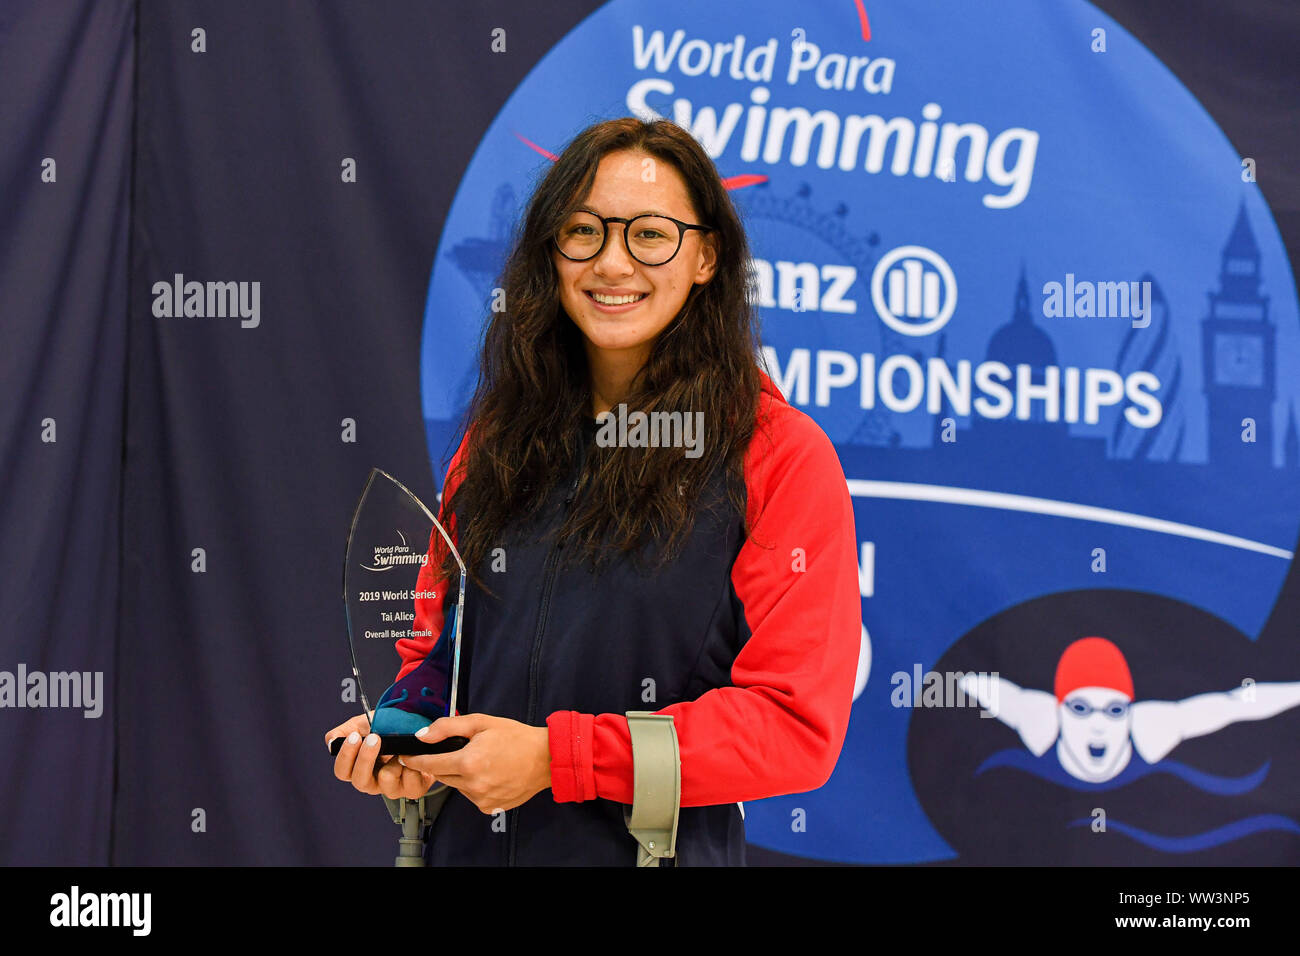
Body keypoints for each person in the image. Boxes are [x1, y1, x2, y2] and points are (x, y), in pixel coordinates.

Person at [326, 116, 861, 865]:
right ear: (552, 252)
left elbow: (793, 728)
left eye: (649, 234)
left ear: (707, 256)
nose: (612, 263)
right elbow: (438, 659)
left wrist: (558, 758)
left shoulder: (779, 456)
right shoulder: (493, 443)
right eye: (583, 232)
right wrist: (397, 735)